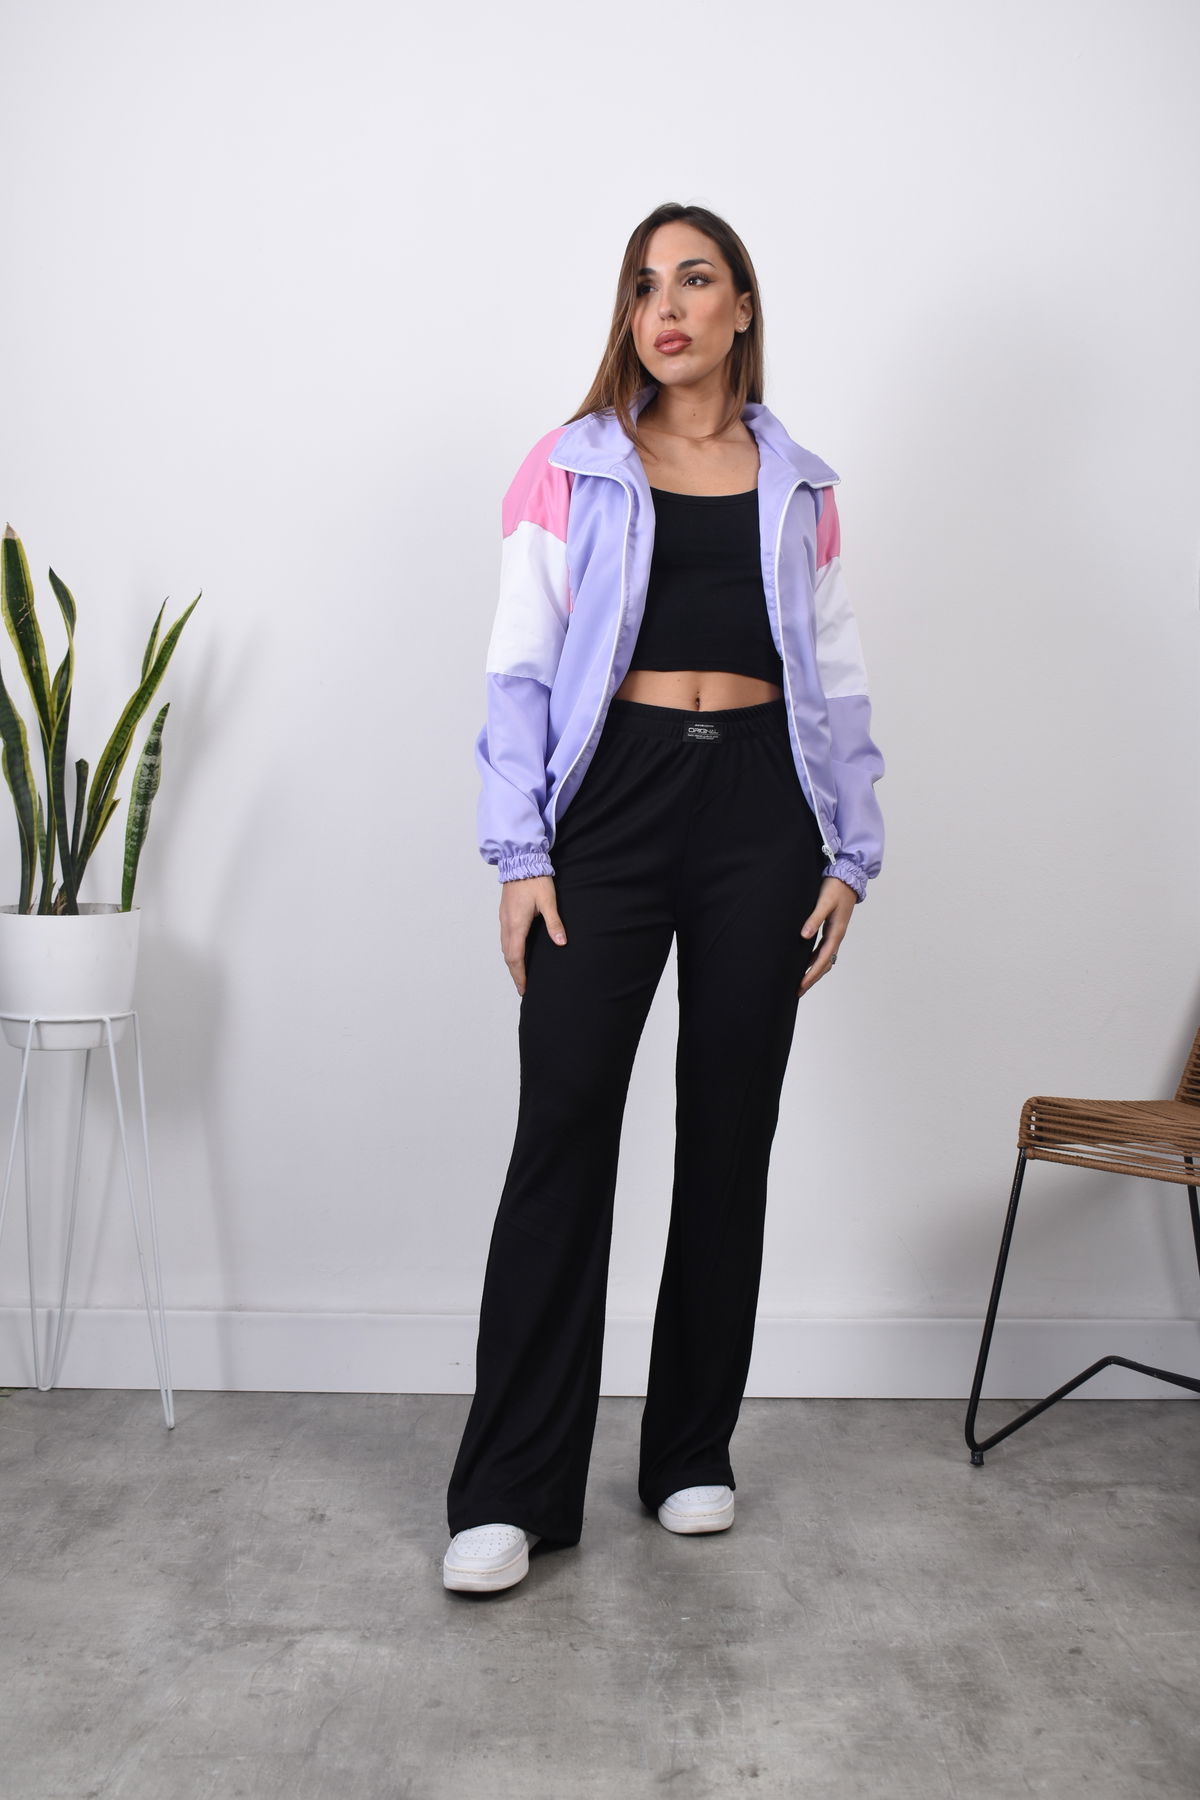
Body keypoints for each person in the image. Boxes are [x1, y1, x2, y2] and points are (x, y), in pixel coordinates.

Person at [443, 202, 884, 1594]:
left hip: (763, 810)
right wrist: (521, 854)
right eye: (646, 286)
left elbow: (838, 682)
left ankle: (692, 1449)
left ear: (741, 305)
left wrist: (848, 854)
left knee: (729, 1131)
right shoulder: (572, 466)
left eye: (695, 281)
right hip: (612, 806)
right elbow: (519, 669)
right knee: (564, 1127)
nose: (669, 308)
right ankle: (510, 1491)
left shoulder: (800, 485)